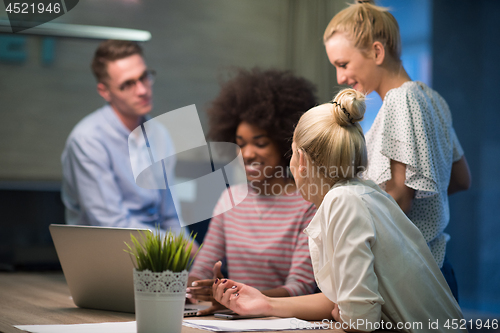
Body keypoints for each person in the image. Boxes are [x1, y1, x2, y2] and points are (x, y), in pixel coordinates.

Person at [212, 89, 466, 333]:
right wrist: (264, 303)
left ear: (301, 161)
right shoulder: (362, 193)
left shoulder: (341, 202)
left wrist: (345, 313)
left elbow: (359, 320)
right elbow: (337, 300)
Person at [322, 0, 471, 300]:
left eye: (343, 64)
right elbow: (460, 179)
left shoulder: (399, 101)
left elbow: (401, 198)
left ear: (377, 52)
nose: (340, 78)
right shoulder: (433, 99)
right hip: (439, 268)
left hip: (415, 277)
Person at [186, 68, 318, 315]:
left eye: (260, 143)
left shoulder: (308, 203)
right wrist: (196, 288)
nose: (247, 154)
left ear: (284, 143)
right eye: (241, 143)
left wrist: (236, 296)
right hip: (234, 320)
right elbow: (203, 268)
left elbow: (300, 287)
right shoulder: (230, 199)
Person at [61, 40, 182, 235]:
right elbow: (111, 224)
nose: (142, 90)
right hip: (105, 256)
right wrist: (175, 245)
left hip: (158, 254)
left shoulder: (159, 134)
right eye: (127, 84)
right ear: (105, 92)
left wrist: (190, 252)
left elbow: (170, 215)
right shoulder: (87, 140)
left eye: (144, 77)